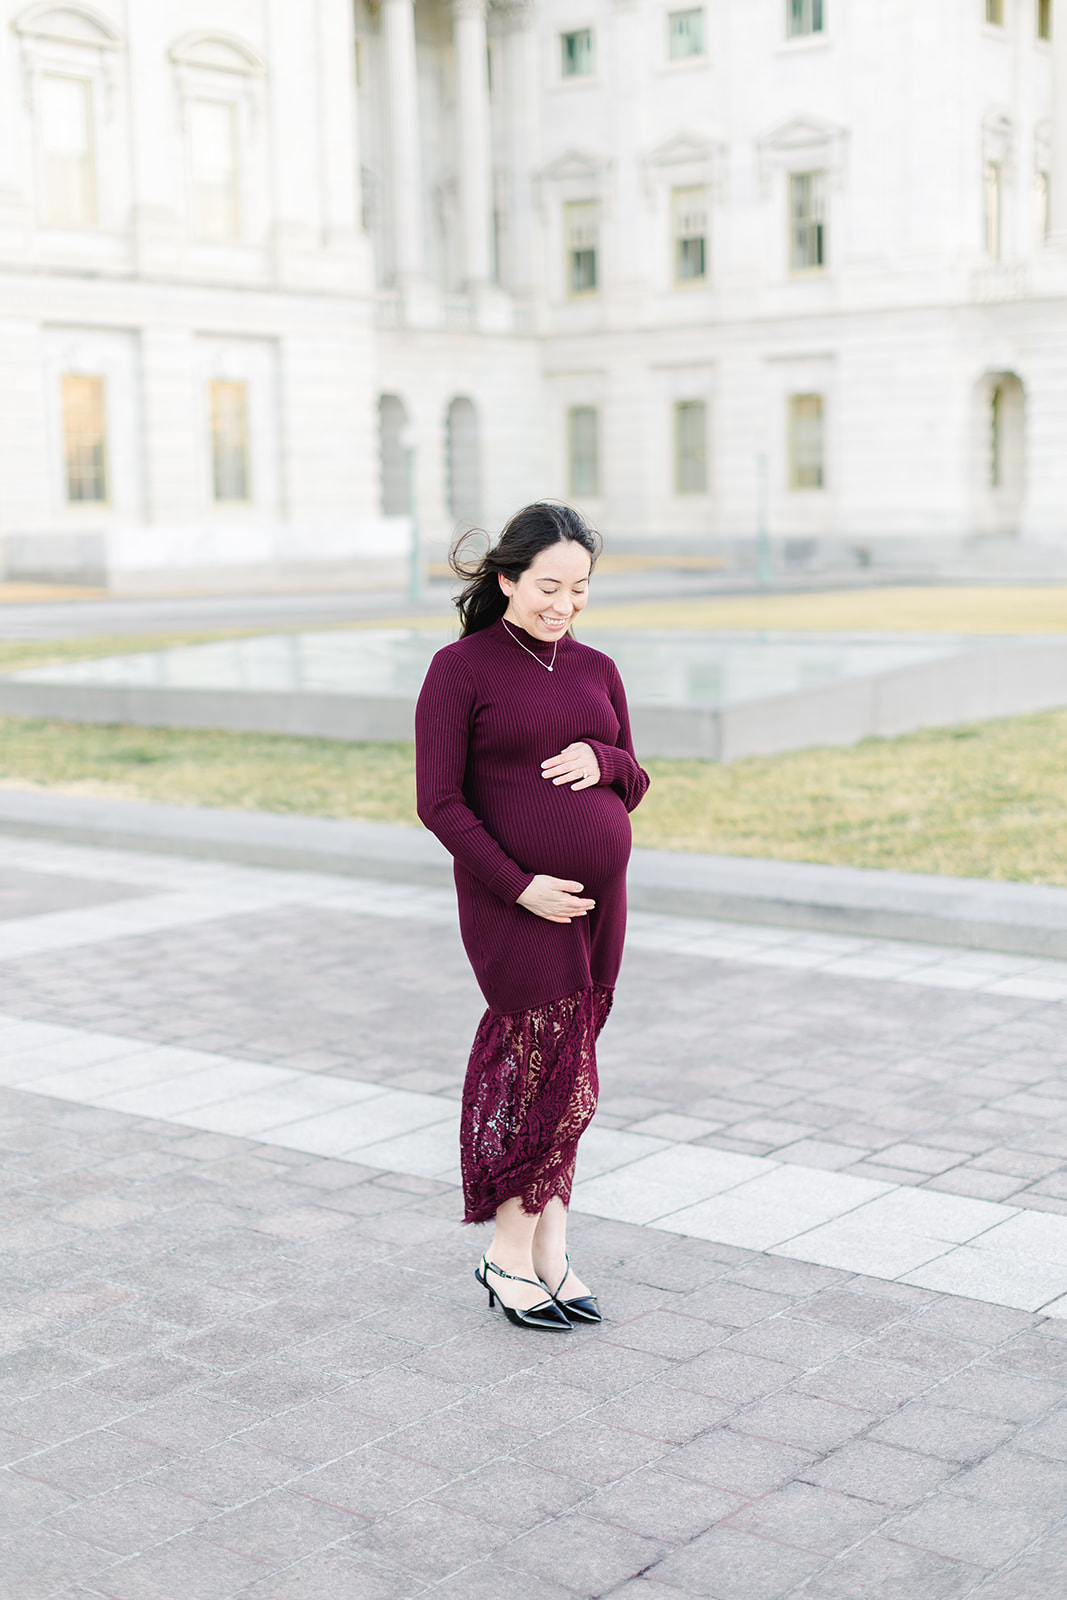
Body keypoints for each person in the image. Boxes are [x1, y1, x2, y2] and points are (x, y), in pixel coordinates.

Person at [415, 502, 650, 1331]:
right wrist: (519, 887)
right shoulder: (461, 669)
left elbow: (636, 778)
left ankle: (551, 1246)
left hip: (597, 903)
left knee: (570, 1071)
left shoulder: (597, 667)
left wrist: (606, 758)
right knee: (548, 1073)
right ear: (508, 578)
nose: (564, 604)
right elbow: (438, 803)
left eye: (579, 588)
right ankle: (507, 1252)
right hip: (515, 904)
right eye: (548, 585)